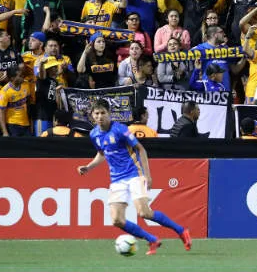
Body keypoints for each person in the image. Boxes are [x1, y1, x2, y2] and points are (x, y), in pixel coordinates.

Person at [78, 100, 191, 254]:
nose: (100, 116)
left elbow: (141, 149)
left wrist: (148, 176)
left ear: (109, 113)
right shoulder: (94, 134)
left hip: (134, 174)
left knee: (144, 213)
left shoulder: (120, 130)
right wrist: (88, 167)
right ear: (92, 116)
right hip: (116, 179)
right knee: (117, 220)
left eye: (103, 113)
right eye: (96, 114)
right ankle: (152, 240)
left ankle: (181, 230)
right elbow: (102, 153)